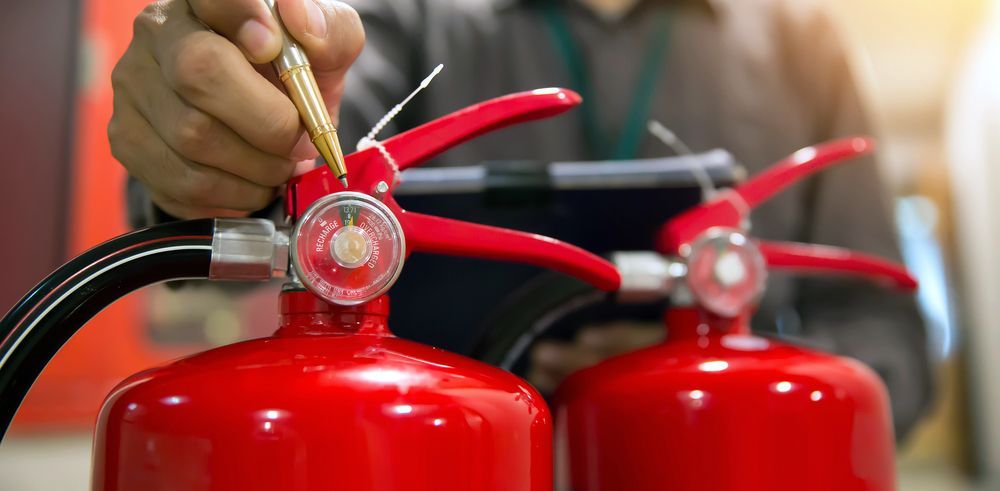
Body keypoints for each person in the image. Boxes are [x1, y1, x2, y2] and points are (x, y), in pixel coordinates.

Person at [111, 0, 932, 436]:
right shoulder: (409, 21)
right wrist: (212, 144)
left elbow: (890, 336)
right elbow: (286, 182)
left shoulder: (802, 39)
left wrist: (733, 383)